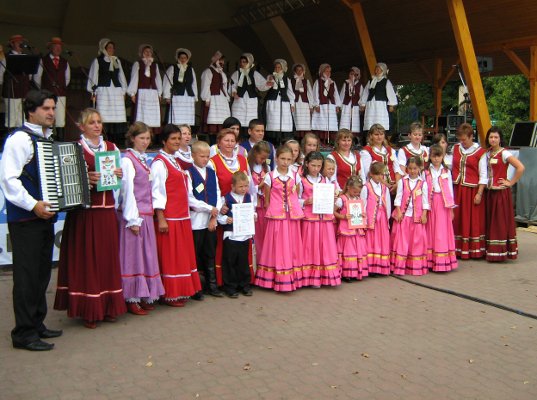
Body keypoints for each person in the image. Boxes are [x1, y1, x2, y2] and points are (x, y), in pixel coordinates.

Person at [0, 90, 62, 351]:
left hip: (43, 218)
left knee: (40, 274)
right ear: (31, 111)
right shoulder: (19, 140)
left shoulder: (44, 139)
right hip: (26, 219)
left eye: (53, 108)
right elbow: (8, 180)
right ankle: (23, 333)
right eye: (46, 108)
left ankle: (36, 323)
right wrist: (33, 204)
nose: (51, 113)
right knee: (26, 277)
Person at [54, 108, 126, 328]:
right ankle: (88, 309)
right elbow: (64, 181)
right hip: (84, 212)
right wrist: (86, 177)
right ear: (81, 126)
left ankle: (108, 306)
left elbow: (118, 183)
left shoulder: (111, 148)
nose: (96, 125)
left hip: (106, 211)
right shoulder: (74, 148)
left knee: (106, 260)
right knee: (87, 261)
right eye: (91, 122)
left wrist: (119, 175)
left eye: (99, 122)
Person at [151, 124, 202, 306]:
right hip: (170, 217)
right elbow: (157, 192)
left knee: (180, 256)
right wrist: (161, 217)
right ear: (164, 140)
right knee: (171, 257)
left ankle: (179, 290)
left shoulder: (174, 161)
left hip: (182, 216)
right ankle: (170, 293)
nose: (177, 142)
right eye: (173, 139)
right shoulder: (159, 163)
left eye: (179, 138)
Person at [118, 122, 165, 315]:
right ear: (132, 139)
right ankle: (131, 297)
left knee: (145, 257)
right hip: (135, 215)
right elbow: (127, 191)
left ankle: (144, 293)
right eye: (141, 138)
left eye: (147, 139)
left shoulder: (143, 160)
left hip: (146, 215)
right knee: (132, 258)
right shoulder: (128, 160)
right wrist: (132, 218)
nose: (145, 142)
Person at [254, 145, 305, 292]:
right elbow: (267, 198)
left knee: (291, 244)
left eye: (289, 159)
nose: (285, 162)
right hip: (277, 216)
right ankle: (274, 277)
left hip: (292, 215)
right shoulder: (270, 176)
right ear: (276, 159)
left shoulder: (296, 175)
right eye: (282, 158)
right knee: (277, 245)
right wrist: (273, 210)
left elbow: (298, 193)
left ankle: (292, 276)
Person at [209, 128, 251, 285]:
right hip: (224, 208)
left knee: (241, 248)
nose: (229, 143)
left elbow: (249, 185)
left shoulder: (242, 158)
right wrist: (220, 207)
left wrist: (250, 205)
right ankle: (224, 282)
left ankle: (243, 281)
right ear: (219, 142)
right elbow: (214, 187)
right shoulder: (213, 161)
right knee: (226, 249)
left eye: (232, 140)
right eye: (226, 140)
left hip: (241, 207)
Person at [186, 140, 224, 298]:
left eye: (207, 156)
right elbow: (189, 198)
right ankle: (196, 288)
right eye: (202, 156)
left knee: (210, 254)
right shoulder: (188, 172)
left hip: (210, 221)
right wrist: (209, 208)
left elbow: (218, 193)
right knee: (195, 255)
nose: (205, 159)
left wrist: (214, 215)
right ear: (193, 155)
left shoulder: (211, 172)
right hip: (196, 222)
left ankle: (212, 285)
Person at [299, 151, 341, 287]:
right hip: (310, 219)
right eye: (313, 165)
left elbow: (333, 195)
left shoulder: (325, 180)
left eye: (319, 166)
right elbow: (296, 199)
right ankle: (310, 277)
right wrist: (305, 201)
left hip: (324, 218)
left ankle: (325, 276)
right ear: (306, 164)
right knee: (310, 247)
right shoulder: (302, 180)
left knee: (325, 247)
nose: (316, 168)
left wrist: (333, 198)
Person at [484, 127, 525, 262]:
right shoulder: (488, 153)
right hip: (489, 192)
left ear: (500, 139)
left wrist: (511, 182)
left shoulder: (504, 153)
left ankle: (500, 252)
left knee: (499, 222)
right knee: (490, 221)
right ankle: (491, 250)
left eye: (496, 137)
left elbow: (520, 167)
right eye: (491, 137)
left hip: (501, 193)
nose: (493, 139)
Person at [452, 123, 487, 259]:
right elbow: (449, 166)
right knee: (457, 218)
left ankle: (472, 249)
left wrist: (479, 193)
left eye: (464, 139)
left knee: (470, 219)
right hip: (457, 189)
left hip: (471, 190)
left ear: (471, 137)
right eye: (460, 139)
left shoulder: (480, 152)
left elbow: (483, 174)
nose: (462, 142)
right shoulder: (455, 148)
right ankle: (456, 248)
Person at [218, 171, 256, 297]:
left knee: (243, 261)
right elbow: (219, 216)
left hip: (244, 235)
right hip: (231, 235)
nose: (244, 189)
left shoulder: (249, 197)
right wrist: (225, 219)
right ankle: (230, 287)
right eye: (240, 186)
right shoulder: (226, 199)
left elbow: (253, 211)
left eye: (245, 186)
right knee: (230, 262)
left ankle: (244, 285)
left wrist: (254, 216)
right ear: (233, 186)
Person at [390, 157, 430, 276]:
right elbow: (398, 197)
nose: (412, 171)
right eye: (410, 168)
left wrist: (424, 214)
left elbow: (425, 201)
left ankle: (415, 267)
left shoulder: (423, 183)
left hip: (416, 216)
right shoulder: (402, 181)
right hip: (404, 216)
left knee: (416, 242)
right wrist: (398, 211)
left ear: (419, 168)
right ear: (407, 168)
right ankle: (400, 266)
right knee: (402, 242)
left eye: (415, 169)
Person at [87, 38, 128, 146]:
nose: (111, 49)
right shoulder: (98, 61)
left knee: (117, 114)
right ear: (103, 48)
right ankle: (104, 139)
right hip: (103, 90)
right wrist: (92, 92)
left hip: (116, 91)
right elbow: (93, 76)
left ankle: (116, 141)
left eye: (112, 48)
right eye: (109, 47)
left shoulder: (116, 60)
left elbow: (121, 76)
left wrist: (123, 90)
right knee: (104, 114)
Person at [425, 144, 458, 272]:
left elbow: (450, 189)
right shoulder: (426, 171)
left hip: (444, 204)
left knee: (442, 231)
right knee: (431, 230)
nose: (436, 159)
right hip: (431, 202)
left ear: (442, 156)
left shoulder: (446, 171)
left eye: (438, 156)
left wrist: (451, 208)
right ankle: (430, 260)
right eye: (434, 156)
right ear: (430, 157)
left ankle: (443, 259)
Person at [33, 37, 70, 140]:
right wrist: (44, 89)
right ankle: (47, 138)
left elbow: (67, 79)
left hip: (60, 93)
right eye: (56, 46)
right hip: (47, 95)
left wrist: (61, 86)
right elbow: (37, 77)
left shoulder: (64, 62)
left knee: (60, 119)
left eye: (60, 47)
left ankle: (60, 139)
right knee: (47, 117)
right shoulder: (43, 60)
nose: (58, 49)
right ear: (50, 48)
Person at [335, 176, 369, 281]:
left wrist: (363, 215)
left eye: (358, 192)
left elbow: (362, 211)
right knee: (348, 251)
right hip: (346, 229)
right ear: (349, 188)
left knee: (357, 250)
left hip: (357, 229)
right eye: (354, 192)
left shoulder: (358, 199)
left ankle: (357, 271)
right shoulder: (342, 199)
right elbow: (333, 211)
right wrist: (343, 216)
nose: (356, 194)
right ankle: (347, 272)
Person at [361, 162, 391, 275]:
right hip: (371, 219)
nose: (380, 177)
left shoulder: (384, 188)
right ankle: (371, 266)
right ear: (371, 174)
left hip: (382, 218)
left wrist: (386, 217)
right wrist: (364, 219)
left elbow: (387, 203)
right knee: (371, 241)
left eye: (381, 174)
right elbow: (363, 203)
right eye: (377, 174)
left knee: (382, 240)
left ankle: (381, 266)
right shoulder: (366, 187)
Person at [229, 53, 268, 130]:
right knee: (238, 119)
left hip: (251, 99)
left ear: (249, 63)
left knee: (251, 120)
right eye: (241, 62)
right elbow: (232, 85)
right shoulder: (237, 73)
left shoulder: (255, 74)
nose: (242, 64)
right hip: (239, 99)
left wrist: (268, 84)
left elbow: (261, 85)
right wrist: (233, 92)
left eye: (244, 62)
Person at [127, 44, 162, 130]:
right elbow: (135, 78)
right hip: (142, 92)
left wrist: (159, 93)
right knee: (142, 114)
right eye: (146, 51)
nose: (148, 53)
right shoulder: (138, 64)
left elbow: (158, 79)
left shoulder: (154, 65)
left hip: (153, 93)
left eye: (149, 52)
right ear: (142, 53)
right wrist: (133, 93)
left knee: (151, 114)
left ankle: (151, 134)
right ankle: (140, 131)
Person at [360, 123, 402, 194]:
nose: (379, 137)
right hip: (377, 187)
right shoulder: (366, 152)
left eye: (381, 134)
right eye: (376, 134)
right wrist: (387, 185)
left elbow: (397, 169)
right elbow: (370, 172)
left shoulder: (390, 150)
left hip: (394, 186)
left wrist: (397, 184)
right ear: (371, 136)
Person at [1, 35, 32, 128]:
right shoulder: (6, 57)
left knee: (21, 120)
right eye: (18, 42)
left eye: (22, 42)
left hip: (23, 92)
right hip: (11, 91)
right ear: (12, 44)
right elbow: (1, 74)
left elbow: (29, 76)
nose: (21, 43)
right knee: (11, 120)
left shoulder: (26, 57)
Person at [200, 51, 231, 144]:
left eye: (223, 61)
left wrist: (227, 97)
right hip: (213, 98)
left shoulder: (222, 73)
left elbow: (225, 86)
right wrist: (207, 98)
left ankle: (220, 142)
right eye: (220, 61)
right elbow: (205, 85)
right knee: (212, 123)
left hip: (222, 99)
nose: (222, 63)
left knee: (221, 123)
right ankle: (213, 142)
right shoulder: (208, 71)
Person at [248, 141, 272, 255]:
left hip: (264, 204)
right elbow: (247, 188)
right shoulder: (248, 166)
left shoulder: (266, 168)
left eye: (265, 158)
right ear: (255, 153)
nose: (263, 160)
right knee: (256, 234)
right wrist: (260, 186)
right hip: (254, 206)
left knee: (265, 233)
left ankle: (265, 259)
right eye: (261, 157)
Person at [359, 62, 397, 133]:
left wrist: (391, 104)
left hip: (380, 105)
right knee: (370, 123)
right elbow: (366, 93)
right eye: (376, 69)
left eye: (378, 69)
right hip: (370, 105)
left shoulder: (386, 81)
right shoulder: (371, 81)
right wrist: (363, 104)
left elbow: (390, 93)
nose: (376, 71)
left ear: (383, 71)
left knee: (380, 123)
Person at [163, 48, 198, 125]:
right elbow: (167, 83)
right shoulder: (173, 68)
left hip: (188, 95)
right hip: (177, 95)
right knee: (177, 115)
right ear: (178, 58)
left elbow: (193, 84)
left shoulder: (190, 69)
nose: (183, 59)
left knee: (186, 115)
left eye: (184, 58)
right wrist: (167, 96)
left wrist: (195, 97)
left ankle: (186, 130)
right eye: (181, 58)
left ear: (187, 59)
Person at [264, 58, 295, 145]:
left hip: (283, 102)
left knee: (283, 120)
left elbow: (290, 92)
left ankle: (282, 140)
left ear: (283, 69)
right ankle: (274, 141)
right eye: (276, 67)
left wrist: (292, 104)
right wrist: (269, 82)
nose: (277, 69)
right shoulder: (270, 77)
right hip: (273, 102)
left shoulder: (286, 79)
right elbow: (266, 87)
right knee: (273, 119)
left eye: (279, 67)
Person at [312, 63, 341, 143]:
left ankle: (329, 141)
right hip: (321, 105)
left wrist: (337, 106)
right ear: (322, 72)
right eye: (326, 71)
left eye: (329, 71)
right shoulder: (318, 82)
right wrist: (316, 104)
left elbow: (336, 94)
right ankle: (321, 141)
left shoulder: (332, 82)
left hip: (331, 105)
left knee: (330, 124)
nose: (328, 73)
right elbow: (315, 93)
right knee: (321, 123)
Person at [291, 63, 313, 138]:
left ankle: (304, 137)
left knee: (304, 121)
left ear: (303, 71)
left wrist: (311, 105)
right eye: (297, 70)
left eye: (301, 70)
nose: (299, 72)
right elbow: (290, 92)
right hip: (296, 102)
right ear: (295, 71)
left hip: (304, 103)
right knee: (297, 119)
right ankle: (297, 137)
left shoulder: (306, 81)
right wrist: (292, 104)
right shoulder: (292, 81)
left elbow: (310, 93)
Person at [339, 67, 362, 138]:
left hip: (355, 106)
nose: (352, 76)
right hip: (346, 106)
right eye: (351, 74)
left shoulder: (359, 85)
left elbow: (361, 96)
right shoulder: (346, 83)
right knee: (345, 121)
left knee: (354, 122)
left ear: (357, 76)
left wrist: (361, 105)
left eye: (354, 74)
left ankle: (354, 139)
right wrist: (340, 106)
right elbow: (342, 95)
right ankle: (344, 137)